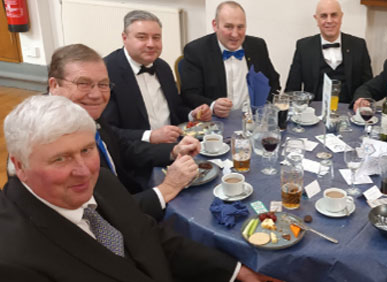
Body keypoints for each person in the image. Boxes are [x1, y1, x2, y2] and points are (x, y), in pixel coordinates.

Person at [0, 95, 273, 281]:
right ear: (19, 165)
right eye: (60, 159)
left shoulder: (103, 181)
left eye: (86, 150)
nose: (83, 170)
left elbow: (151, 238)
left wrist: (236, 271)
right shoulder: (12, 262)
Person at [48, 44, 201, 220]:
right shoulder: (52, 141)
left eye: (103, 84)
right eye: (84, 84)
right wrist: (167, 189)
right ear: (54, 85)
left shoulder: (82, 113)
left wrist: (173, 151)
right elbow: (100, 217)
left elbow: (122, 148)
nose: (97, 94)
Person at [102, 10, 212, 144]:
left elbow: (175, 109)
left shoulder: (162, 67)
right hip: (137, 152)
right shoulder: (106, 72)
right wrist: (150, 136)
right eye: (142, 37)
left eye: (156, 37)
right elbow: (107, 131)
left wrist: (192, 115)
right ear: (125, 38)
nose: (151, 44)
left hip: (175, 142)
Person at [179, 0, 281, 117]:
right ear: (215, 25)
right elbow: (189, 95)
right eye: (228, 27)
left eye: (240, 27)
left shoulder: (257, 46)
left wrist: (263, 109)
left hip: (253, 119)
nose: (235, 34)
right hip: (215, 123)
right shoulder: (196, 50)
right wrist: (213, 106)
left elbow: (273, 81)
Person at [285, 0, 373, 102]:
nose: (329, 20)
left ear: (341, 17)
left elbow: (368, 86)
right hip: (314, 111)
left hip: (349, 110)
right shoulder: (303, 47)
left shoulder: (358, 45)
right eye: (323, 16)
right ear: (316, 19)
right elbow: (292, 89)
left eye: (334, 15)